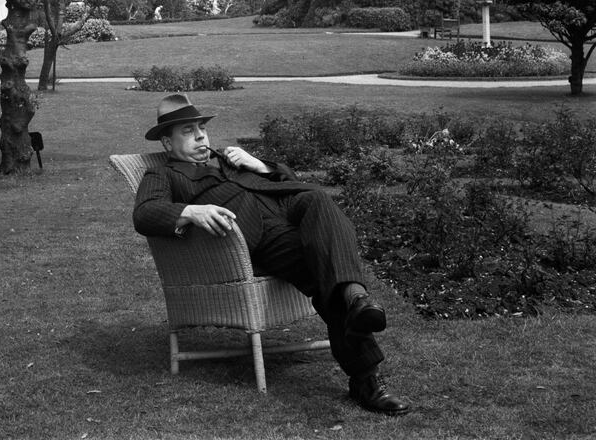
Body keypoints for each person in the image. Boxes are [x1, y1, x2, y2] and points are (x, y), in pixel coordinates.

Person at [133, 93, 409, 415]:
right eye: (187, 131)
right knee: (321, 268)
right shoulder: (164, 174)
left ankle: (356, 300)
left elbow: (289, 183)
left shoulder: (225, 159)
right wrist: (191, 210)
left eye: (202, 129)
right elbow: (145, 213)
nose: (199, 136)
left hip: (288, 207)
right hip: (258, 235)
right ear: (167, 143)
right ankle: (364, 371)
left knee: (318, 199)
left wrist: (260, 165)